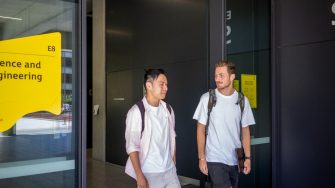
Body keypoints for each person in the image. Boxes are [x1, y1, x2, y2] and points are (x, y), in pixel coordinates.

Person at [193, 60, 255, 188]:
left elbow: (245, 131)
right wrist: (202, 158)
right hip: (215, 159)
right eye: (216, 75)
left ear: (232, 77)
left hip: (235, 159)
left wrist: (248, 158)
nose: (217, 79)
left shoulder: (242, 100)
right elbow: (200, 130)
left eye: (221, 75)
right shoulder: (207, 99)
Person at [125, 69, 181, 188]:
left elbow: (172, 137)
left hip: (170, 171)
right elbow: (132, 147)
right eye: (162, 84)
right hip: (149, 172)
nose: (166, 88)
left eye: (166, 85)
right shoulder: (136, 112)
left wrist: (173, 163)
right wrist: (139, 176)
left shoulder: (168, 110)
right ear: (149, 85)